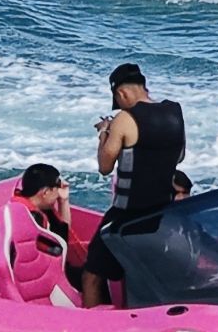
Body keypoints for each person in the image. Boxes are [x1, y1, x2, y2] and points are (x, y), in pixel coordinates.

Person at [79, 63, 188, 307]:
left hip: (127, 216)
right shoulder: (174, 112)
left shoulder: (125, 119)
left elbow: (105, 166)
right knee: (146, 276)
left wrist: (104, 132)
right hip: (163, 216)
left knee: (92, 275)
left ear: (122, 94)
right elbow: (179, 156)